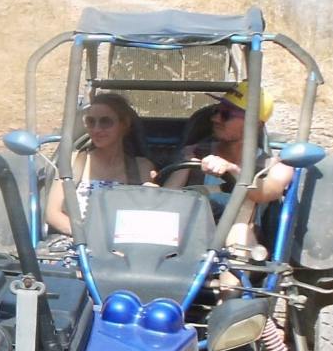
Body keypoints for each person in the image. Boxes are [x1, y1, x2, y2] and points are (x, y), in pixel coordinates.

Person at [162, 81, 293, 249]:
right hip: (185, 239)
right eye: (216, 111)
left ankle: (232, 274)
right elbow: (165, 202)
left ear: (254, 123)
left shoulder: (274, 166)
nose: (215, 118)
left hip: (240, 248)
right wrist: (186, 165)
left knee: (239, 231)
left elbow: (267, 191)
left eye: (226, 114)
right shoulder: (193, 153)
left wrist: (234, 171)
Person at [44, 92, 156, 235]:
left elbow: (146, 217)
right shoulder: (74, 162)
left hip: (123, 246)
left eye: (105, 122)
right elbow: (52, 213)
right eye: (91, 122)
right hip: (77, 243)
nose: (96, 129)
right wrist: (88, 236)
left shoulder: (142, 167)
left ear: (124, 124)